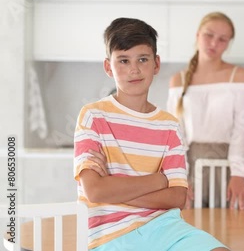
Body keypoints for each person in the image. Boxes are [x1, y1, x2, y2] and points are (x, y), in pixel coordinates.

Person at [74, 17, 227, 250]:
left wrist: (113, 189)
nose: (134, 69)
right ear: (108, 67)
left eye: (142, 59)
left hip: (167, 227)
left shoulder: (169, 125)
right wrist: (159, 180)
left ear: (156, 64)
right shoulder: (93, 116)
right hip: (111, 236)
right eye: (123, 61)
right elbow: (95, 190)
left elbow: (177, 197)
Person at [167, 12, 244, 210]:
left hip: (228, 165)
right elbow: (175, 135)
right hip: (190, 166)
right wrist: (180, 177)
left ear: (228, 43)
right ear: (198, 35)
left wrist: (238, 173)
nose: (214, 43)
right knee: (191, 229)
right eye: (209, 35)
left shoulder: (238, 76)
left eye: (223, 39)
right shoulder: (178, 80)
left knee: (229, 230)